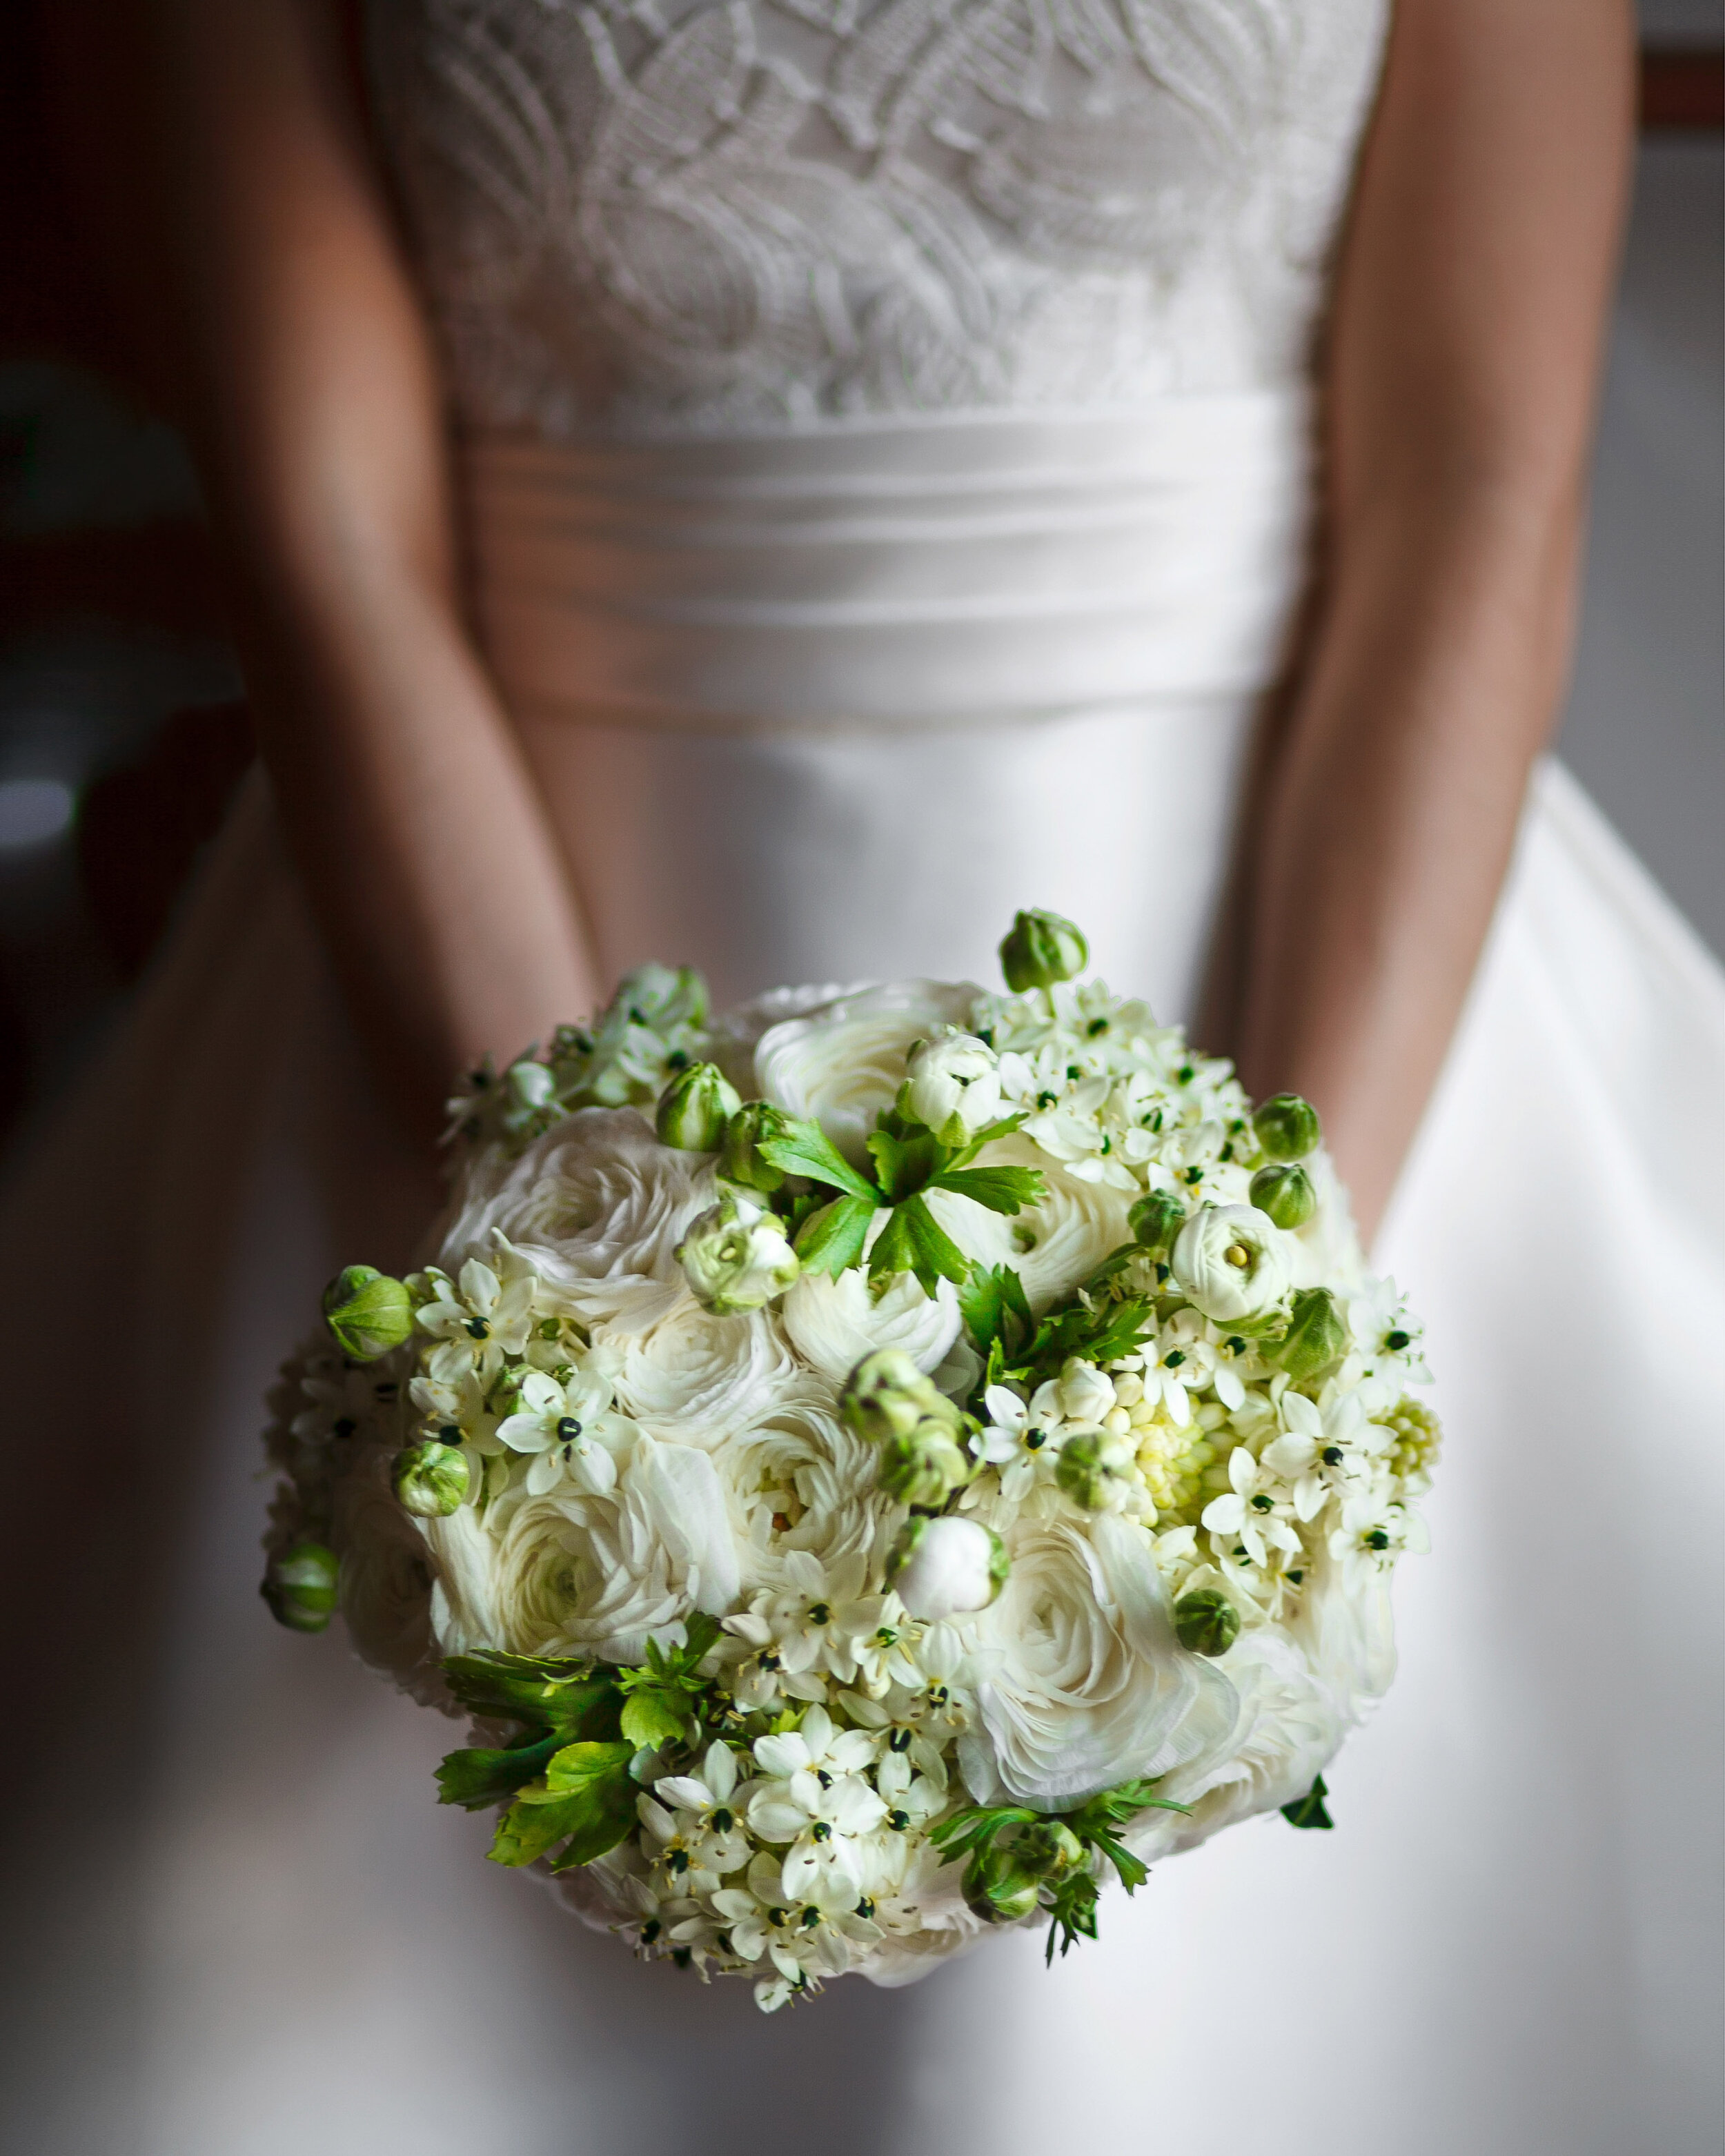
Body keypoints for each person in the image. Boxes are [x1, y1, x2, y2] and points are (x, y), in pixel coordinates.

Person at [1, 1, 1719, 2150]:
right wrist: (568, 1288)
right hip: (480, 951)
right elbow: (331, 535)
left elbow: (1472, 495)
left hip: (1316, 974)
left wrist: (1245, 1328)